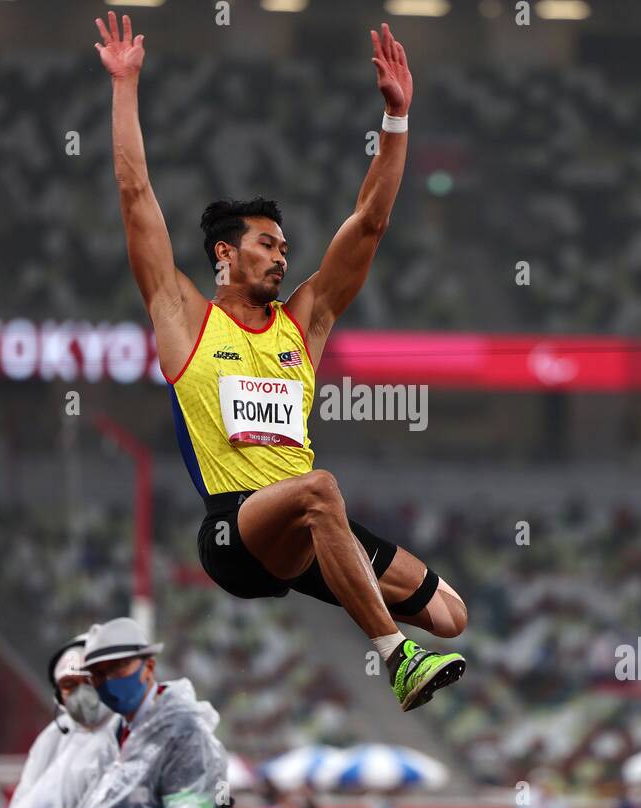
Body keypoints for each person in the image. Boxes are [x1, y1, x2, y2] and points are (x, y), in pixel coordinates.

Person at [93, 12, 467, 713]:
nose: (283, 254)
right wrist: (124, 86)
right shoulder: (184, 320)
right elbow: (135, 196)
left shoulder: (303, 323)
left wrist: (396, 119)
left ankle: (372, 602)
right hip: (236, 532)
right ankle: (395, 658)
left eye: (286, 245)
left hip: (301, 530)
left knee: (451, 615)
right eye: (267, 243)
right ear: (225, 255)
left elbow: (370, 224)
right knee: (322, 488)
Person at [76, 618, 229, 808]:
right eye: (98, 674)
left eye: (117, 667)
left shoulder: (185, 732)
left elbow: (192, 805)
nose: (108, 681)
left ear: (148, 666)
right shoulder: (114, 736)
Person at [8, 633, 120, 808]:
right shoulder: (56, 734)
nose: (81, 692)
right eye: (70, 684)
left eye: (89, 681)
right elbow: (25, 800)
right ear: (59, 694)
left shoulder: (127, 730)